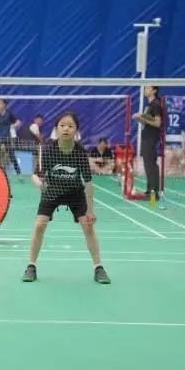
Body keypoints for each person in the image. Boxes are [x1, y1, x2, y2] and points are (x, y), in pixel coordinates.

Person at [22, 112, 110, 284]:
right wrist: (40, 184)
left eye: (70, 126)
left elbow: (88, 183)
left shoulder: (80, 152)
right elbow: (35, 175)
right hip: (52, 190)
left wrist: (91, 210)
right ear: (56, 129)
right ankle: (31, 266)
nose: (66, 129)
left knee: (88, 227)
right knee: (39, 225)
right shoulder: (49, 150)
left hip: (75, 192)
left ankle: (98, 267)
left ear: (76, 130)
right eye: (62, 125)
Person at [133, 85, 162, 199]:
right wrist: (139, 118)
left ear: (154, 90)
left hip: (151, 138)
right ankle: (150, 191)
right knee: (147, 164)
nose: (145, 90)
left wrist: (143, 117)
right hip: (146, 136)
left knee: (151, 165)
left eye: (148, 88)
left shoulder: (156, 104)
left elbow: (157, 123)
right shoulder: (149, 105)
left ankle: (153, 193)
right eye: (145, 88)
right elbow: (145, 123)